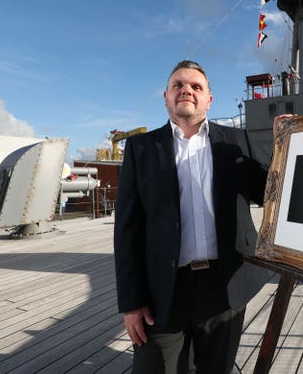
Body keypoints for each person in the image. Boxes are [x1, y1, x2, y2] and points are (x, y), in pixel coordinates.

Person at [114, 60, 270, 373]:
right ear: (166, 96)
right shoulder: (141, 148)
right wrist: (131, 302)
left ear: (209, 99)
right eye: (178, 85)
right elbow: (127, 229)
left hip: (224, 285)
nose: (187, 90)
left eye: (196, 86)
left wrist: (286, 143)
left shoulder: (237, 142)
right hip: (162, 290)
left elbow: (267, 192)